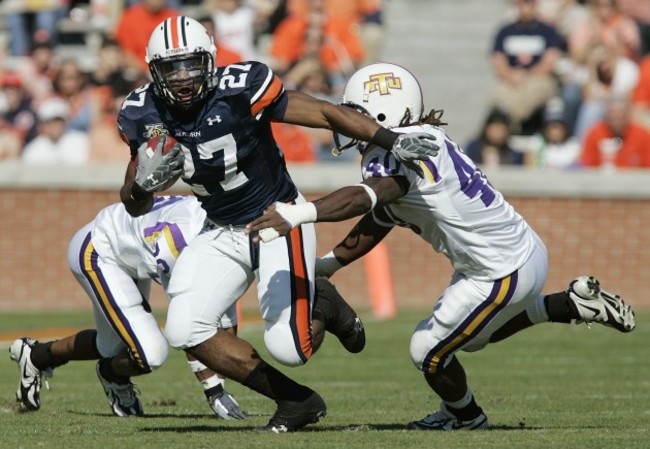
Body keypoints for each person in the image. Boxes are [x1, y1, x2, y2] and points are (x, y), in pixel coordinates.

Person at [245, 62, 637, 431]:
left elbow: (372, 196)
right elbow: (383, 217)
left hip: (500, 270)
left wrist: (301, 214)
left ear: (381, 116)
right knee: (478, 338)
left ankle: (465, 417)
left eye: (357, 113)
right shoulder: (419, 139)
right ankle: (570, 304)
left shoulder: (399, 151)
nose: (348, 122)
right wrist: (330, 263)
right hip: (513, 255)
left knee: (427, 352)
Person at [116, 16, 437, 433]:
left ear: (209, 61)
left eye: (191, 65)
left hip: (278, 217)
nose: (182, 78)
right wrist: (143, 184)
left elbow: (323, 112)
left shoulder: (241, 87)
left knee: (291, 347)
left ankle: (324, 301)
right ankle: (296, 400)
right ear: (153, 71)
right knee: (183, 327)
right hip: (220, 228)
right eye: (170, 68)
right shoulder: (142, 113)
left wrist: (389, 140)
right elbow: (134, 204)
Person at [9, 195, 246, 420]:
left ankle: (37, 355)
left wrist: (222, 376)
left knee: (109, 346)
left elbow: (223, 309)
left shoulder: (222, 224)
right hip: (100, 251)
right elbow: (188, 319)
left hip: (131, 255)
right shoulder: (181, 237)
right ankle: (112, 374)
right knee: (151, 353)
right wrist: (214, 391)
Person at [490, 0, 564, 134]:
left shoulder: (547, 30)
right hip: (511, 79)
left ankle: (509, 127)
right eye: (523, 3)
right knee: (499, 94)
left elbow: (550, 61)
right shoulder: (505, 31)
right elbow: (498, 60)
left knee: (532, 92)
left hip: (539, 78)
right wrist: (511, 75)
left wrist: (527, 74)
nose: (526, 7)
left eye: (529, 3)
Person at [580, 94, 650, 168]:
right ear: (606, 113)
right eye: (612, 113)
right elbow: (586, 167)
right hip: (602, 178)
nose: (617, 117)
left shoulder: (643, 135)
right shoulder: (594, 134)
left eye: (621, 113)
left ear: (629, 113)